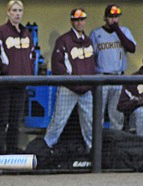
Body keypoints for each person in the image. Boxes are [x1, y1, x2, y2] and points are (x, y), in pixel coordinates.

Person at [42, 8, 95, 152]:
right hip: (68, 89)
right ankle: (46, 149)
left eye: (82, 19)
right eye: (76, 20)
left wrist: (88, 85)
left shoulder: (89, 41)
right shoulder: (63, 40)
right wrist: (72, 83)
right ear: (71, 21)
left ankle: (93, 153)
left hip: (86, 91)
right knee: (58, 121)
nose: (79, 22)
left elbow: (92, 65)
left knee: (89, 123)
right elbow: (57, 67)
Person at [0, 0, 35, 154]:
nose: (17, 14)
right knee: (2, 121)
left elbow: (32, 55)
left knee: (15, 122)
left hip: (22, 83)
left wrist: (28, 72)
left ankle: (11, 153)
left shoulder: (26, 33)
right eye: (14, 10)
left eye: (20, 11)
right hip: (6, 83)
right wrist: (6, 70)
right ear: (8, 12)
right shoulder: (0, 32)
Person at [90, 4, 136, 130]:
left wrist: (117, 30)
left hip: (118, 77)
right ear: (105, 18)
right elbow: (90, 57)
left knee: (116, 115)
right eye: (111, 17)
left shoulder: (124, 31)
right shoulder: (96, 33)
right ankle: (96, 145)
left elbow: (131, 48)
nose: (114, 20)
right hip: (101, 77)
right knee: (98, 114)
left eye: (116, 17)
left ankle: (115, 145)